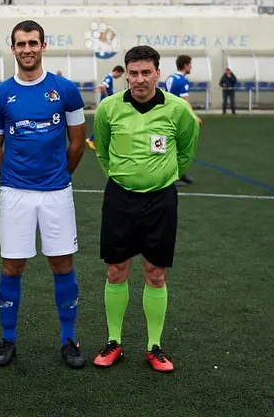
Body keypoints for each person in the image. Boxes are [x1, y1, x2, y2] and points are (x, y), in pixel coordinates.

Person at [0, 20, 87, 368]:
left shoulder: (66, 90)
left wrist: (59, 173)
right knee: (12, 266)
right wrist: (14, 177)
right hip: (15, 193)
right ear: (12, 48)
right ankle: (8, 339)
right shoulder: (0, 95)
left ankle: (68, 340)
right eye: (20, 44)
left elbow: (77, 142)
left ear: (43, 46)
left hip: (57, 191)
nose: (27, 49)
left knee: (62, 263)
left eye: (33, 42)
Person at [91, 45, 199, 373]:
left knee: (155, 272)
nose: (139, 79)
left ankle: (154, 346)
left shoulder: (177, 109)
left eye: (146, 73)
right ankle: (114, 341)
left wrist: (164, 175)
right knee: (116, 270)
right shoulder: (108, 109)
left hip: (160, 200)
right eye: (133, 73)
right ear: (126, 74)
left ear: (157, 73)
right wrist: (122, 176)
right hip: (120, 198)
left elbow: (186, 149)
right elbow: (103, 152)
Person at [164, 54, 201, 186]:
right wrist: (194, 117)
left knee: (173, 145)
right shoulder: (182, 81)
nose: (191, 67)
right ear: (185, 65)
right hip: (177, 118)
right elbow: (185, 102)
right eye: (190, 64)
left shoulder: (170, 78)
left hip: (168, 115)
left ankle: (178, 174)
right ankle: (173, 175)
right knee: (180, 146)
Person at [86, 65, 124, 151]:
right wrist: (107, 97)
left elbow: (100, 86)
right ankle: (91, 139)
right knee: (103, 122)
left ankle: (96, 138)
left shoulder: (108, 77)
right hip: (105, 105)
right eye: (120, 74)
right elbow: (103, 86)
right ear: (117, 72)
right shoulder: (109, 77)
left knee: (106, 122)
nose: (120, 76)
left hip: (106, 104)